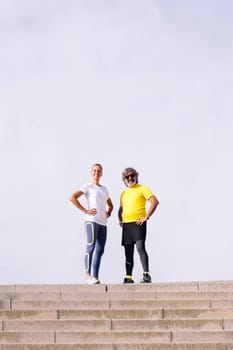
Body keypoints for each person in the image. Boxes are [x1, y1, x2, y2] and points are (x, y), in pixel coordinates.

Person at [70, 163, 113, 284]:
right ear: (91, 172)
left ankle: (95, 277)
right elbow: (72, 197)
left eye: (99, 171)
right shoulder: (88, 186)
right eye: (94, 170)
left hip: (103, 223)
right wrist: (85, 210)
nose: (96, 173)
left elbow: (111, 205)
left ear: (102, 173)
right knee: (91, 246)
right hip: (91, 221)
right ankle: (88, 275)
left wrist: (108, 213)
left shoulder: (104, 189)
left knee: (100, 250)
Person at [118, 167, 159, 284]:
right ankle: (128, 277)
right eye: (127, 177)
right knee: (128, 251)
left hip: (138, 222)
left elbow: (154, 201)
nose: (130, 178)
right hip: (127, 225)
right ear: (124, 180)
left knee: (140, 248)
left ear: (136, 176)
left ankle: (146, 274)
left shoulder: (142, 188)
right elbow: (120, 209)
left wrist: (147, 216)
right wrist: (120, 220)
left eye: (132, 175)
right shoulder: (123, 193)